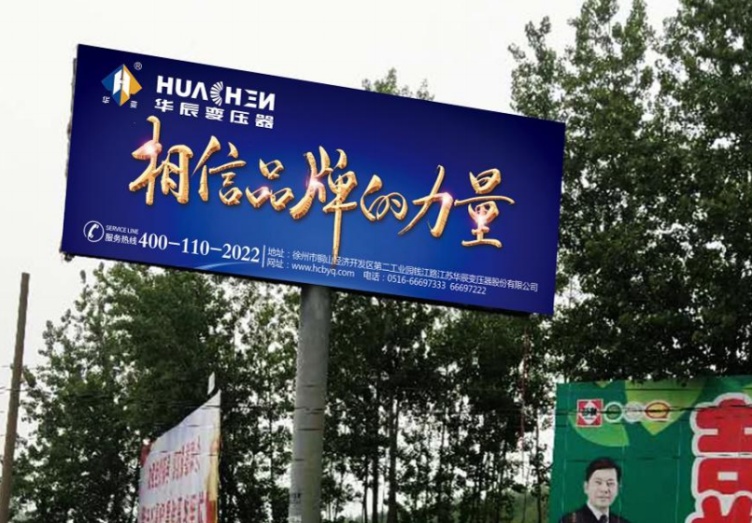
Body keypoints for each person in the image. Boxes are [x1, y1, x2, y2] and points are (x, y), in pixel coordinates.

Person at [558, 457, 632, 523]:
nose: (604, 489)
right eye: (598, 482)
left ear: (618, 488)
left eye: (610, 483)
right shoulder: (570, 521)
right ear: (586, 487)